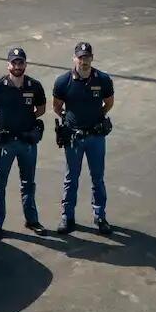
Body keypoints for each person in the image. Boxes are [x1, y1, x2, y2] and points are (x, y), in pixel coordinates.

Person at [0, 47, 47, 240]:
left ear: (25, 64)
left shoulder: (34, 85)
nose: (17, 66)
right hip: (6, 142)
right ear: (8, 65)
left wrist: (27, 119)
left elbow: (41, 108)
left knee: (28, 183)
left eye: (21, 62)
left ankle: (32, 220)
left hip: (26, 142)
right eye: (14, 63)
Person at [53, 42, 114, 235]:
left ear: (92, 58)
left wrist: (97, 118)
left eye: (87, 57)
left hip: (96, 137)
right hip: (74, 138)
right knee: (71, 178)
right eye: (80, 57)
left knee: (98, 178)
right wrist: (69, 120)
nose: (84, 61)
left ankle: (100, 215)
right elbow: (56, 107)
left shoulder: (103, 79)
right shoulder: (63, 81)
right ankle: (67, 216)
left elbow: (109, 103)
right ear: (74, 59)